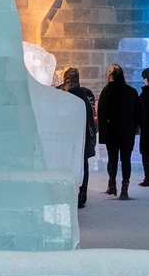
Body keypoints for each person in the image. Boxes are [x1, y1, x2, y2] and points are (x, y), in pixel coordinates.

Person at [97, 65, 143, 200]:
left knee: (112, 158)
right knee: (126, 159)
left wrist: (103, 131)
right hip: (127, 130)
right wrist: (134, 127)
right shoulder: (131, 92)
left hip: (112, 130)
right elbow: (139, 113)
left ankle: (112, 184)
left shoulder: (107, 91)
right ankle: (124, 188)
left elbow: (102, 113)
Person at [58, 67, 97, 208]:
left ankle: (67, 194)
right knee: (82, 164)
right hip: (81, 135)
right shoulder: (86, 94)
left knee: (65, 164)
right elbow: (92, 118)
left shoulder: (59, 92)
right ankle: (81, 195)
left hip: (64, 135)